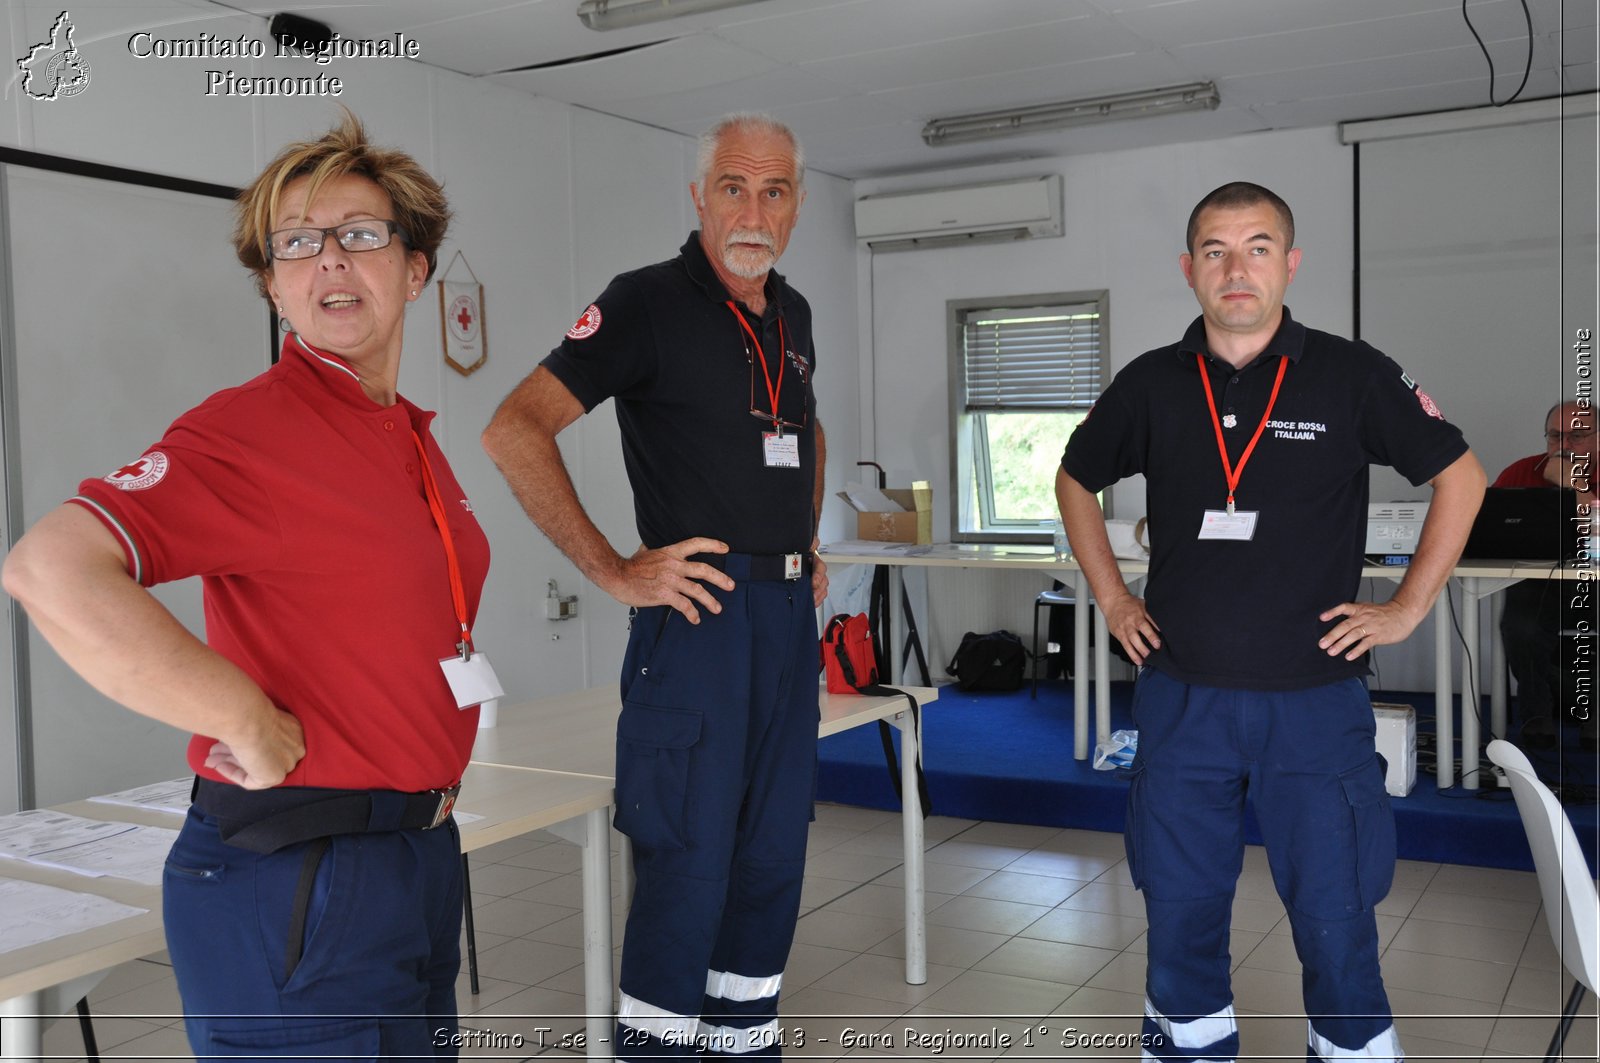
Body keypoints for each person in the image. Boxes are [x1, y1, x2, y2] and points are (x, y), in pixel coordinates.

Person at [2, 113, 489, 1057]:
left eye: (359, 233)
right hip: (300, 867)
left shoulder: (406, 433)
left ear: (415, 269)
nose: (329, 261)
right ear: (274, 286)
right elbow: (50, 566)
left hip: (416, 850)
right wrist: (240, 713)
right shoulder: (255, 430)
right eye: (297, 244)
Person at [1058, 181, 1485, 1063]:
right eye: (1215, 250)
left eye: (1257, 247)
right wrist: (1112, 597)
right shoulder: (1149, 382)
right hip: (1183, 699)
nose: (1236, 267)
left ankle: (1353, 1047)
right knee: (1179, 908)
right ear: (1190, 270)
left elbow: (1461, 476)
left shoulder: (1350, 372)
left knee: (1335, 914)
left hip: (1314, 699)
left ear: (1290, 263)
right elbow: (1074, 478)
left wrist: (1408, 606)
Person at [482, 112, 826, 1060]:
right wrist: (611, 568)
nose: (752, 210)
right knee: (689, 859)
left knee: (770, 857)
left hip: (787, 620)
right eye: (733, 187)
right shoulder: (644, 303)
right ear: (700, 196)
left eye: (775, 190)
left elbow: (806, 424)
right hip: (699, 617)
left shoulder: (790, 312)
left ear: (798, 203)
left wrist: (802, 537)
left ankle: (742, 1041)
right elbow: (515, 427)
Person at [1495, 400, 1596, 746]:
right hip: (1538, 582)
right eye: (1556, 437)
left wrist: (1575, 487)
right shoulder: (1520, 472)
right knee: (1520, 624)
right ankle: (1537, 715)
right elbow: (1490, 530)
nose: (1565, 446)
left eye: (1577, 436)